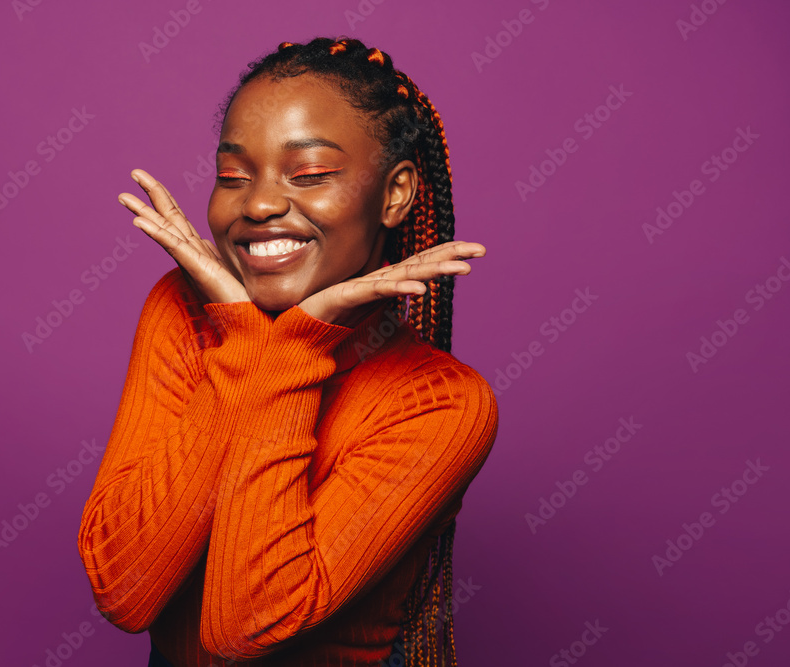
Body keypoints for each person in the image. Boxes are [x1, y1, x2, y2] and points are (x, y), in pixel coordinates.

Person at [78, 37, 499, 666]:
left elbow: (244, 626)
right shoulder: (183, 310)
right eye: (232, 177)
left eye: (308, 175)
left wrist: (286, 345)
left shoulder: (442, 404)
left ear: (395, 194)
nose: (260, 204)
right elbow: (126, 590)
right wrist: (248, 335)